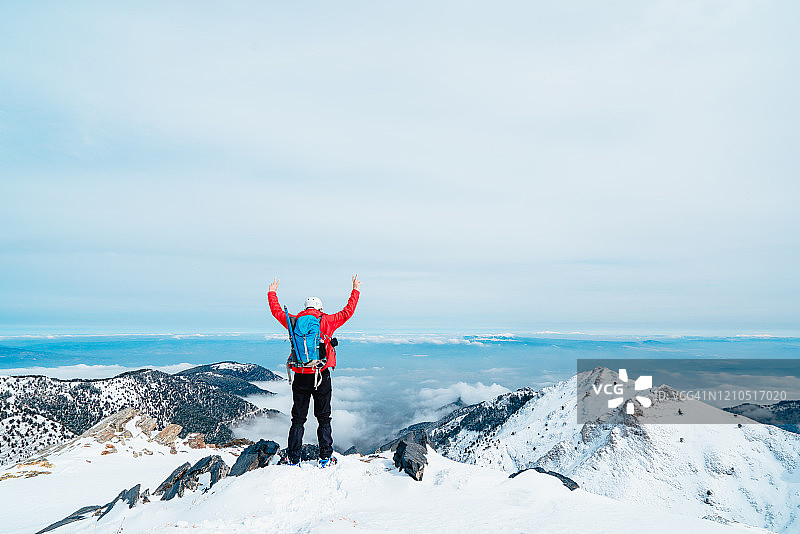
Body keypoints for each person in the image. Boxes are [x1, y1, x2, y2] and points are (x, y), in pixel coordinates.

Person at [267, 274, 361, 467]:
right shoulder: (327, 321)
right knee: (324, 418)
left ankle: (293, 458)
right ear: (320, 308)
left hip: (300, 375)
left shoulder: (293, 322)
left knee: (298, 419)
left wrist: (272, 293)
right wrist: (355, 290)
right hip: (321, 375)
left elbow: (276, 312)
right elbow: (347, 312)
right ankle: (325, 458)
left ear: (305, 309)